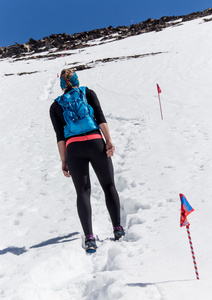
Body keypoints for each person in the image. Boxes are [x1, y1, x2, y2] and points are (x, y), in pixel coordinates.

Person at [50, 69, 125, 253]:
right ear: (76, 80)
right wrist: (108, 141)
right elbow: (100, 118)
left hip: (74, 148)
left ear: (61, 85)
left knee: (82, 192)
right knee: (108, 185)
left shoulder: (55, 106)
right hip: (94, 142)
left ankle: (90, 239)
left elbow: (60, 136)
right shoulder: (88, 93)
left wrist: (64, 160)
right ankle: (117, 229)